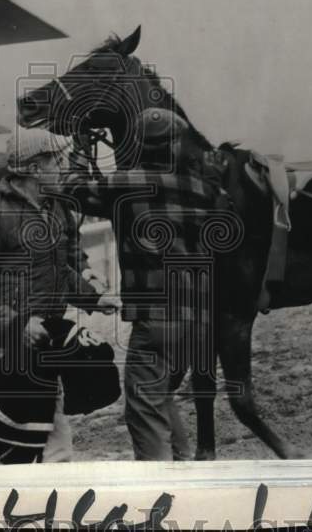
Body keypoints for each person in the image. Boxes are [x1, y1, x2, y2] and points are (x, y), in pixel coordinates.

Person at [0, 126, 120, 464]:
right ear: (34, 168)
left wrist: (92, 298)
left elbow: (59, 270)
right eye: (59, 161)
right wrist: (17, 324)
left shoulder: (54, 209)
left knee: (57, 452)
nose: (67, 167)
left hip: (41, 349)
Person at [63, 108, 223, 461]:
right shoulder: (201, 187)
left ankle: (161, 491)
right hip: (198, 321)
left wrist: (79, 145)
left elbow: (72, 188)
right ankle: (185, 468)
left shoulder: (127, 183)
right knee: (160, 394)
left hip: (156, 320)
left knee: (144, 411)